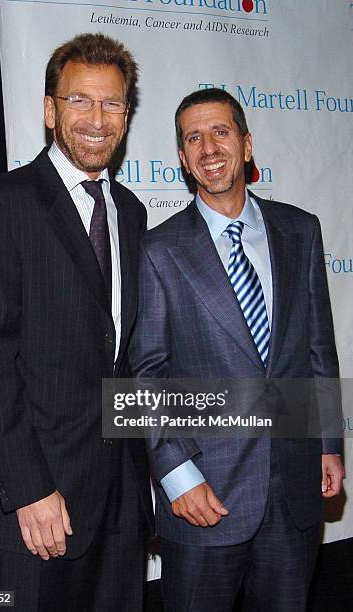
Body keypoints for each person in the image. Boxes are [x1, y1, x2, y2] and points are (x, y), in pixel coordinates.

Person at [0, 33, 153, 612]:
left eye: (112, 103)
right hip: (38, 506)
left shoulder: (133, 213)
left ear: (126, 114)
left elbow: (126, 357)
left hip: (119, 502)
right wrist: (29, 489)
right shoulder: (4, 204)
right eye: (79, 100)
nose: (97, 119)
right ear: (49, 110)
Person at [129, 87, 344, 611]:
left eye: (220, 132)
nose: (209, 148)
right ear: (181, 158)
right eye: (193, 138)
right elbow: (143, 378)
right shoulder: (158, 250)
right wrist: (178, 477)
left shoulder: (301, 230)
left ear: (247, 145)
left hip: (294, 489)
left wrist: (328, 443)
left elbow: (319, 348)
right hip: (204, 495)